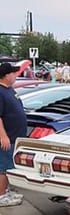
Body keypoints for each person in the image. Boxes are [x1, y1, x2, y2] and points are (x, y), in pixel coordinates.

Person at [0, 63, 26, 206]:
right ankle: (1, 195)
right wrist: (2, 136)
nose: (16, 76)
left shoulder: (9, 90)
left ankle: (5, 190)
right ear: (6, 75)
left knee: (9, 165)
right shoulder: (0, 92)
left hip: (15, 136)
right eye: (13, 73)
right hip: (7, 137)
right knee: (3, 167)